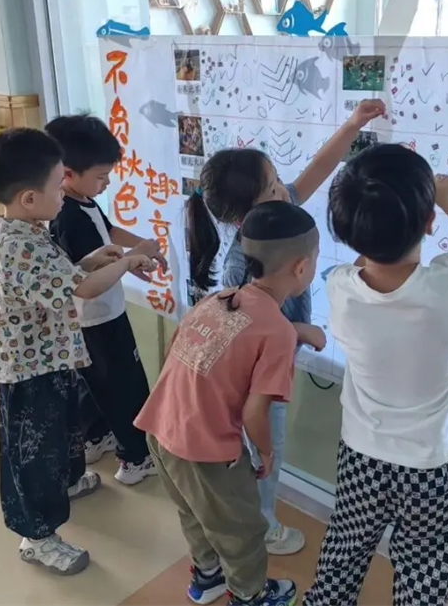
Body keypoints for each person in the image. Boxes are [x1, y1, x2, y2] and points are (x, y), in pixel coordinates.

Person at [186, 98, 386, 555]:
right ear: (246, 213)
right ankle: (262, 527)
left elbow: (316, 171)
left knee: (264, 449)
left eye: (278, 180)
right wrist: (300, 332)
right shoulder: (242, 263)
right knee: (264, 453)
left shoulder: (274, 216)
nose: (284, 188)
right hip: (253, 381)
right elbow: (243, 334)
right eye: (274, 185)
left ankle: (253, 518)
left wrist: (352, 124)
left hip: (272, 368)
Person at [303, 144, 448, 606]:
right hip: (436, 465)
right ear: (429, 222)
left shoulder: (340, 285)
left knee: (342, 555)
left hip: (362, 455)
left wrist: (416, 205)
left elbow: (370, 264)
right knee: (424, 571)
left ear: (347, 231)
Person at [0, 128, 153, 575]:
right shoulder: (20, 246)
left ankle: (67, 482)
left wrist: (91, 260)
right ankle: (36, 536)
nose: (64, 193)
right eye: (59, 186)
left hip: (47, 358)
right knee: (33, 452)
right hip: (26, 369)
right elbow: (85, 289)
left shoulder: (27, 229)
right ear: (29, 198)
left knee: (60, 431)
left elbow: (62, 278)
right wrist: (127, 261)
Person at [135, 200, 319, 606]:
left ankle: (207, 577)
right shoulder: (277, 332)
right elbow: (255, 412)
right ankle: (250, 596)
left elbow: (173, 353)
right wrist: (265, 453)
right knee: (243, 530)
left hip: (161, 428)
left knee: (195, 513)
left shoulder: (219, 299)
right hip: (207, 451)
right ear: (302, 267)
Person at [47, 114, 165, 485]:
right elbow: (89, 281)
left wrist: (137, 250)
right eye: (101, 176)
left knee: (96, 382)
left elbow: (107, 235)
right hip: (98, 318)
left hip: (93, 318)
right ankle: (135, 458)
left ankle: (95, 438)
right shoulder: (68, 216)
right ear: (67, 173)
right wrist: (132, 259)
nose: (107, 183)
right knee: (125, 388)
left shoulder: (80, 200)